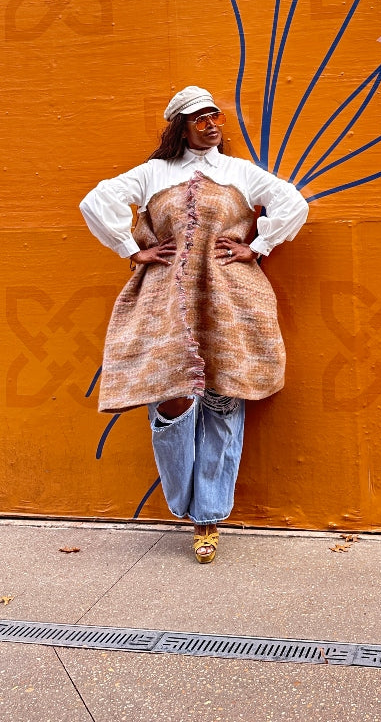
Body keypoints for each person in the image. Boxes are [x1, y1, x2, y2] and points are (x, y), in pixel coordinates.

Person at [80, 86, 309, 563]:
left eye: (214, 116)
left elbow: (292, 204)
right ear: (180, 126)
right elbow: (95, 202)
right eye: (198, 118)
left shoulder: (239, 173)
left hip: (231, 299)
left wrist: (258, 247)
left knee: (224, 397)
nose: (210, 125)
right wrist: (132, 250)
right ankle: (184, 500)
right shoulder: (153, 174)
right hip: (165, 300)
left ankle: (209, 517)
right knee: (172, 399)